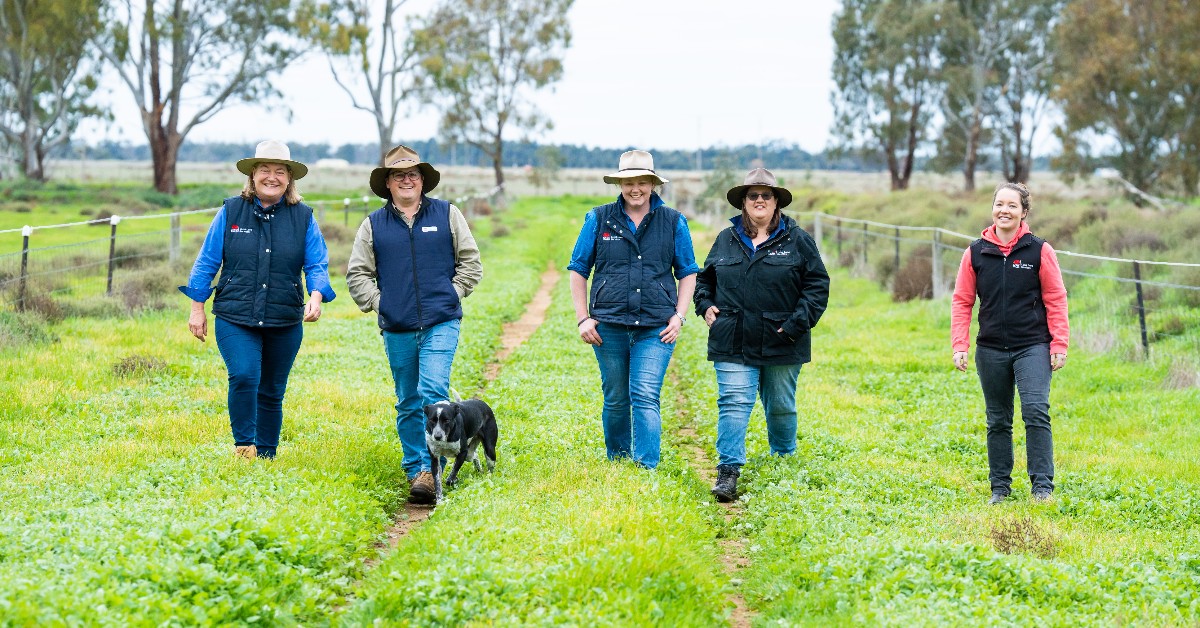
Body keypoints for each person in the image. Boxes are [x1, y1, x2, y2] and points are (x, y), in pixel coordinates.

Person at [181, 140, 335, 460]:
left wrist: (316, 295)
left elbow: (316, 264)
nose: (272, 177)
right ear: (252, 175)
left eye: (280, 171)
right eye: (264, 169)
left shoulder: (304, 217)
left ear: (289, 179)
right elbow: (207, 262)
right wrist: (197, 309)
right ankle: (244, 446)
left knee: (272, 390)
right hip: (234, 315)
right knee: (244, 375)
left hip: (284, 317)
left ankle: (266, 454)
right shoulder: (230, 212)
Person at [346, 145, 482, 505]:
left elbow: (471, 262)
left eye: (413, 175)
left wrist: (451, 294)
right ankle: (416, 469)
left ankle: (430, 468)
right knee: (408, 400)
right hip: (397, 327)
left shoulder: (448, 214)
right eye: (398, 175)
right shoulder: (373, 224)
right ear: (388, 183)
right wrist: (383, 304)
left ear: (422, 181)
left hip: (442, 321)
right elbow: (357, 274)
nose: (406, 180)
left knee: (432, 389)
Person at [693, 167, 830, 502]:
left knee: (780, 405)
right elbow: (704, 279)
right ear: (743, 202)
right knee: (733, 402)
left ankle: (783, 461)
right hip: (732, 337)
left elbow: (817, 286)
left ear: (776, 201)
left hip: (783, 339)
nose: (759, 200)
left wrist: (795, 324)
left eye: (765, 195)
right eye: (752, 195)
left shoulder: (798, 240)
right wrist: (705, 305)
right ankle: (728, 471)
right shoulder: (726, 239)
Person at [568, 149, 700, 469]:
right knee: (616, 398)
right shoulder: (598, 218)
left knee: (645, 394)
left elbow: (688, 272)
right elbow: (578, 269)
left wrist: (679, 316)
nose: (635, 189)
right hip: (608, 326)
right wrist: (583, 318)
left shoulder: (673, 221)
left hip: (656, 326)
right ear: (620, 185)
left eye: (642, 182)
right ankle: (618, 460)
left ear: (653, 184)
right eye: (629, 182)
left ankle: (645, 466)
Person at [951, 182, 1069, 505]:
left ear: (1024, 212)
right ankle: (1000, 488)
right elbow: (962, 301)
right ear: (992, 209)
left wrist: (1059, 344)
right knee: (998, 419)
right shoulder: (975, 252)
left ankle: (1042, 487)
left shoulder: (1039, 251)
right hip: (990, 349)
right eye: (999, 204)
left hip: (1032, 345)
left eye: (1012, 205)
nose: (1004, 210)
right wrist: (960, 344)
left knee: (1035, 410)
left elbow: (1056, 298)